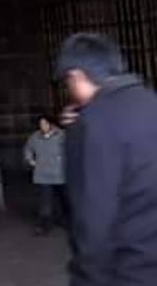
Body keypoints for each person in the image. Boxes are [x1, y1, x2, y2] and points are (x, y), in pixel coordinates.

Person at [56, 32, 157, 286]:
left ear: (76, 75)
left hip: (125, 271)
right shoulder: (151, 103)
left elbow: (94, 215)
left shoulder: (91, 124)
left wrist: (88, 277)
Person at [23, 114, 66, 235]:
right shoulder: (35, 137)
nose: (43, 126)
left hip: (60, 174)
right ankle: (44, 224)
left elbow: (70, 150)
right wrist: (30, 160)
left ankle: (66, 219)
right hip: (42, 174)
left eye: (45, 124)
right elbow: (28, 149)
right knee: (45, 201)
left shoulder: (62, 136)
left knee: (63, 199)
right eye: (41, 124)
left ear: (51, 124)